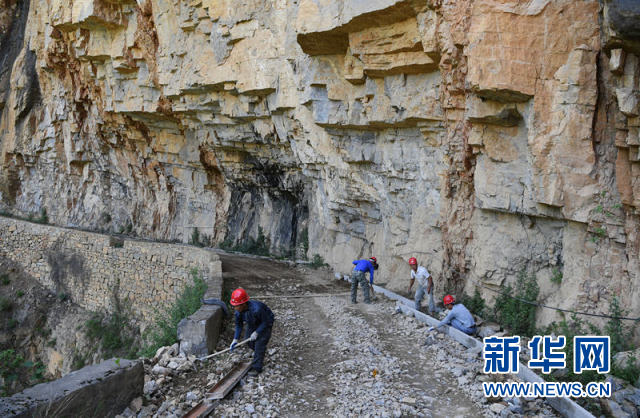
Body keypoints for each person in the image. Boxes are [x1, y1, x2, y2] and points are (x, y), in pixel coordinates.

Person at [229, 288, 275, 376]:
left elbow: (266, 321)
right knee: (249, 341)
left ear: (243, 304)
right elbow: (239, 325)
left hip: (265, 323)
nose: (234, 307)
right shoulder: (238, 312)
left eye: (236, 305)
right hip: (252, 323)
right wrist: (235, 339)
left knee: (259, 344)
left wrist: (257, 332)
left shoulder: (257, 309)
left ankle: (257, 368)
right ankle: (260, 353)